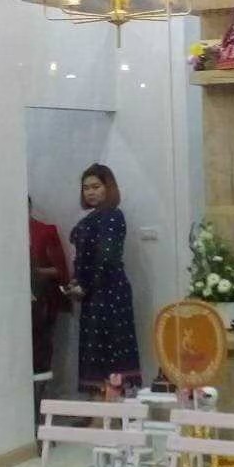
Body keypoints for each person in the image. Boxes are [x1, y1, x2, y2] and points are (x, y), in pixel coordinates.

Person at [64, 164, 140, 393]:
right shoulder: (94, 217)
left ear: (109, 188)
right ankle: (99, 404)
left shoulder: (112, 216)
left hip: (109, 292)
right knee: (95, 350)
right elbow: (85, 258)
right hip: (94, 293)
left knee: (110, 351)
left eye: (96, 186)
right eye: (86, 188)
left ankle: (113, 405)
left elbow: (106, 258)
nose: (90, 192)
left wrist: (83, 285)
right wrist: (77, 282)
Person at [27, 198, 69, 378]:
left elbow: (60, 270)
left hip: (41, 299)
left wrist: (33, 271)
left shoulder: (45, 231)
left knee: (40, 348)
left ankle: (40, 390)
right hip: (12, 301)